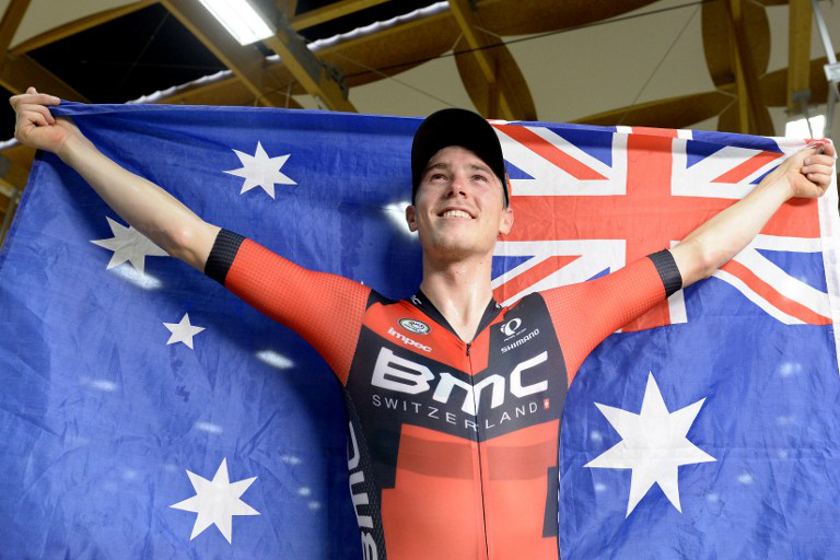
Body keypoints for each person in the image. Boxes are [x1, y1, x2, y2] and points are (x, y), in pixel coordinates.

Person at [11, 87, 836, 560]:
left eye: (479, 177)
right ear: (414, 212)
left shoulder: (562, 318)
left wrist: (784, 184)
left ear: (507, 217)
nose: (457, 187)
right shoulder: (353, 321)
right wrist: (71, 146)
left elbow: (693, 256)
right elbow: (189, 237)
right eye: (438, 176)